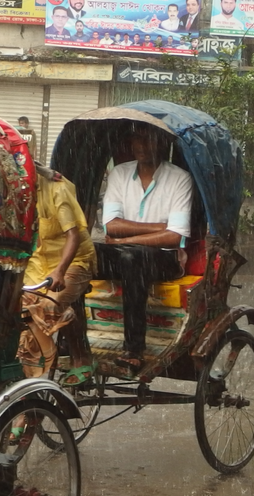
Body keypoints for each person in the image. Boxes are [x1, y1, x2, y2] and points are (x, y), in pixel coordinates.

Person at [95, 127, 194, 374]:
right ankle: (73, 343)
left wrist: (125, 240)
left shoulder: (179, 178)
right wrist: (157, 228)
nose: (141, 146)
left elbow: (174, 236)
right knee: (84, 253)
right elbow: (111, 225)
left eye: (148, 140)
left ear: (162, 144)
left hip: (165, 258)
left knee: (132, 257)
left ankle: (133, 349)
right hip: (126, 252)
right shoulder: (119, 173)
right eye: (137, 139)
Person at [18, 165, 97, 386]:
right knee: (20, 309)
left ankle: (81, 357)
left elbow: (73, 235)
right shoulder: (12, 194)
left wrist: (60, 271)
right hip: (38, 262)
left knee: (53, 304)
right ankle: (40, 363)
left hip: (73, 259)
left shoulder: (56, 189)